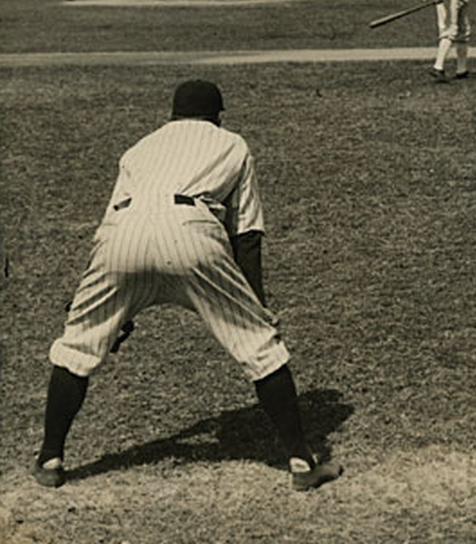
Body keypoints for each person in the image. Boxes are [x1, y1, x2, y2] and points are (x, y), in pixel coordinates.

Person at [31, 80, 342, 492]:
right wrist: (257, 307)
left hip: (122, 237)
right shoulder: (232, 143)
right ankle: (302, 462)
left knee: (77, 345)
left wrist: (93, 301)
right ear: (217, 116)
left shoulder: (139, 148)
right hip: (191, 233)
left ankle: (50, 458)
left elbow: (107, 228)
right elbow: (246, 235)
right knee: (259, 347)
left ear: (173, 115)